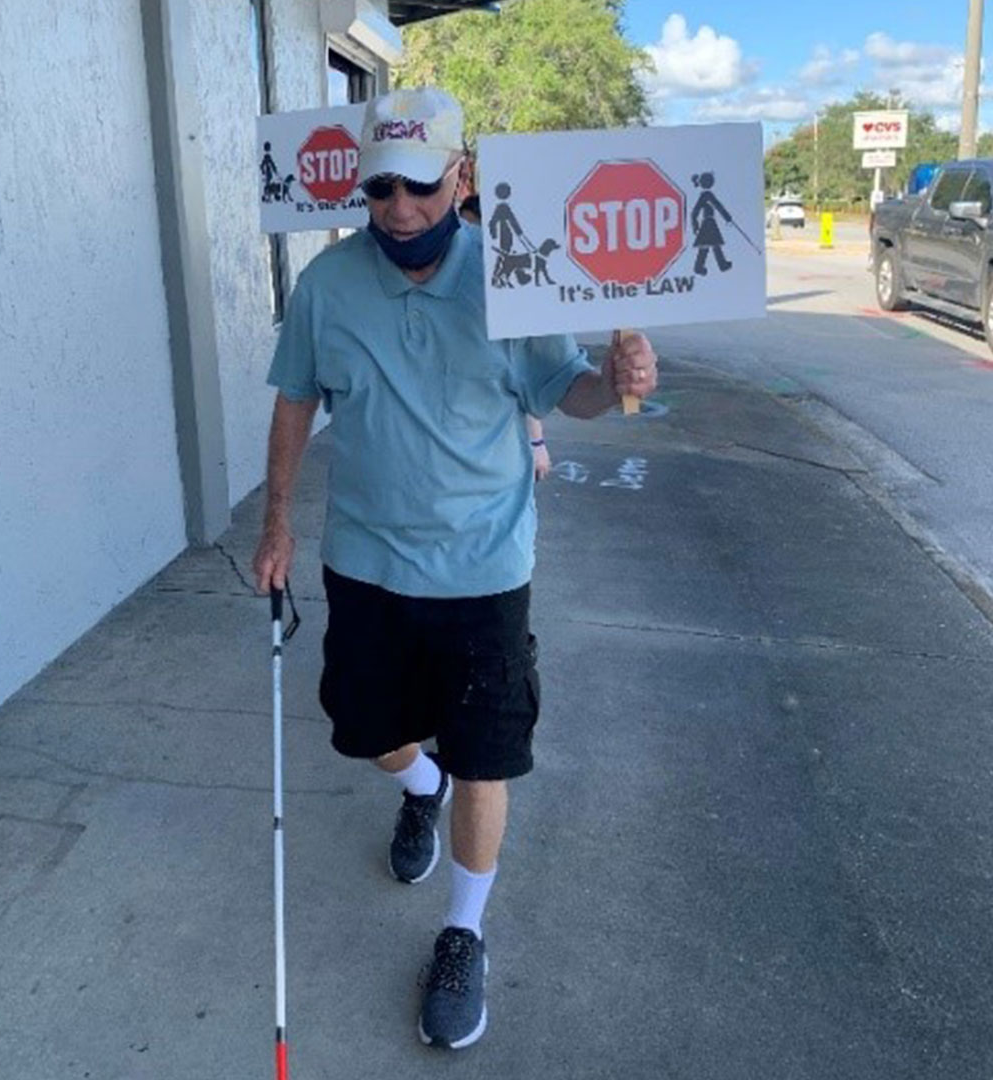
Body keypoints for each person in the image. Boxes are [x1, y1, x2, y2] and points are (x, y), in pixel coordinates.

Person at [252, 87, 657, 1051]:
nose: (399, 210)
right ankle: (415, 785)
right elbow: (294, 403)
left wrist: (618, 381)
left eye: (422, 188)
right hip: (368, 564)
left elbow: (569, 391)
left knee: (488, 758)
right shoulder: (326, 285)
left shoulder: (516, 272)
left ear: (462, 177)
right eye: (381, 188)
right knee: (369, 735)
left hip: (484, 567)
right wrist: (275, 525)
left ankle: (463, 933)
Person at [459, 193, 551, 481]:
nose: (465, 235)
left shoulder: (508, 295)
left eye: (473, 228)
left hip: (497, 456)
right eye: (461, 226)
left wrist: (537, 444)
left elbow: (527, 381)